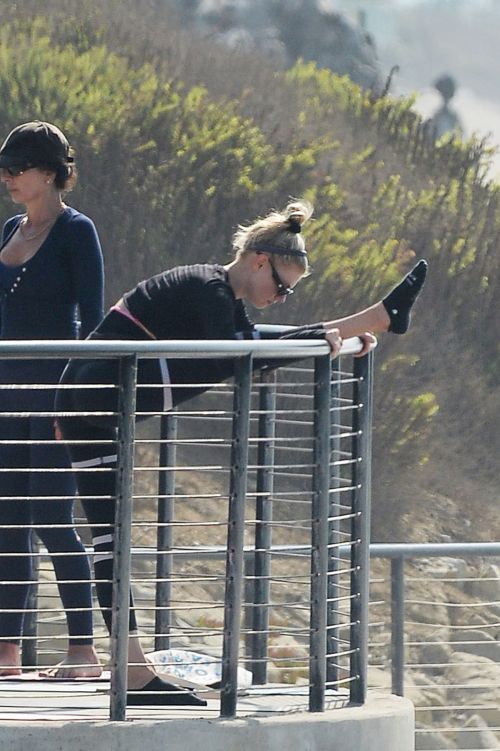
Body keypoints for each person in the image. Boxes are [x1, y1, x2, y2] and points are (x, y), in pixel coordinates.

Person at [55, 199, 427, 705]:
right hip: (92, 399)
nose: (281, 297)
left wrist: (333, 333)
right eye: (281, 285)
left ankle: (134, 669)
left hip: (91, 400)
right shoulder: (208, 290)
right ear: (257, 260)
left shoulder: (217, 296)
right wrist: (333, 333)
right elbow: (239, 355)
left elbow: (245, 345)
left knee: (108, 538)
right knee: (108, 535)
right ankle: (134, 673)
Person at [0, 121, 105, 678]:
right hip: (5, 395)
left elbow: (94, 322)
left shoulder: (75, 231)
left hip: (56, 397)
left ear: (49, 172)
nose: (8, 177)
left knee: (52, 517)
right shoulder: (8, 229)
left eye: (18, 167)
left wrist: (77, 404)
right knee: (7, 519)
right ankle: (7, 652)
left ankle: (83, 651)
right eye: (5, 167)